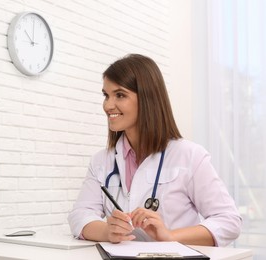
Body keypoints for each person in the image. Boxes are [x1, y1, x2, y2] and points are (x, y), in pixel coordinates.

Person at [68, 54, 241, 247]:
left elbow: (229, 221)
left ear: (147, 98)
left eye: (120, 95)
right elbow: (79, 215)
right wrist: (107, 231)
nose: (108, 105)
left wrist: (170, 236)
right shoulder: (101, 161)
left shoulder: (190, 156)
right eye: (106, 95)